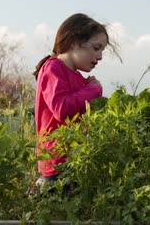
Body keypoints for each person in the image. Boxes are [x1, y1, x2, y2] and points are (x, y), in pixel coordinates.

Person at [33, 13, 120, 185]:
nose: (100, 56)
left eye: (102, 50)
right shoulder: (53, 67)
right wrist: (93, 89)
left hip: (76, 159)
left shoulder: (79, 78)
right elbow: (61, 108)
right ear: (74, 42)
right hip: (56, 163)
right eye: (96, 48)